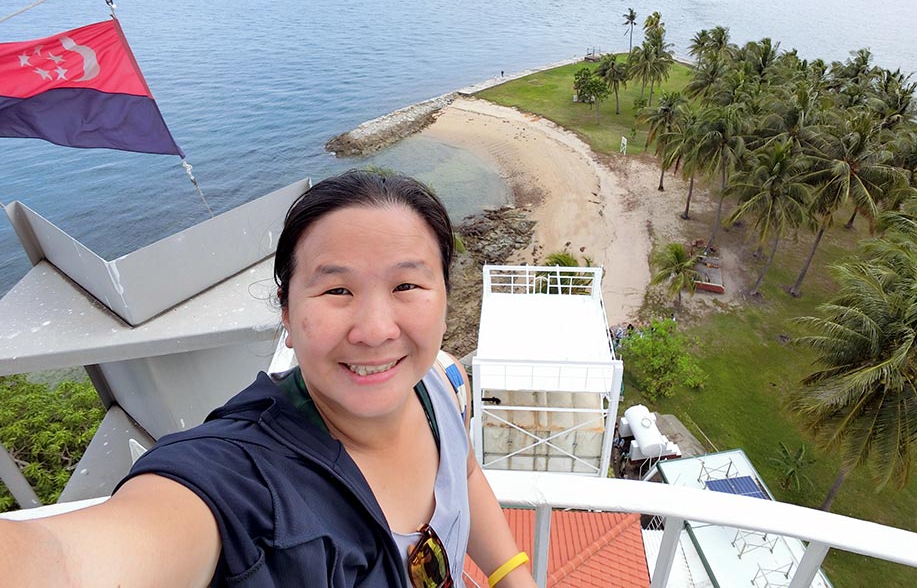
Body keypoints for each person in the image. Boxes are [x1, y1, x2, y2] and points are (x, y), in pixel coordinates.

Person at [0, 170, 535, 588]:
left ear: (445, 297)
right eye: (336, 291)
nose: (375, 330)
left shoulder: (442, 382)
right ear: (286, 310)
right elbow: (68, 563)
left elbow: (461, 473)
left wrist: (510, 571)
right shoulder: (244, 478)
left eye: (407, 286)